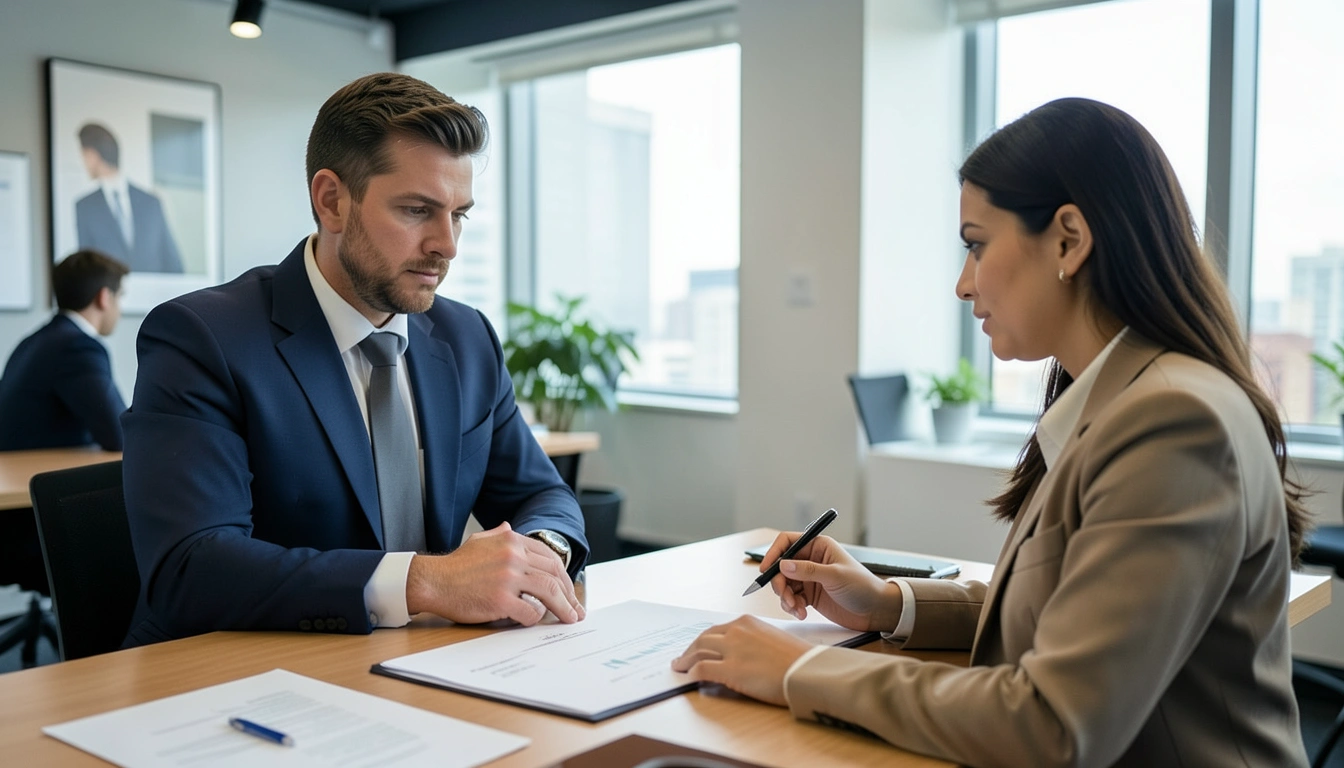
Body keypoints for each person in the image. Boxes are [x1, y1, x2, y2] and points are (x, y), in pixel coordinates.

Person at [672, 98, 1311, 768]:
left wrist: (797, 671)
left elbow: (1051, 726)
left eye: (976, 245)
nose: (962, 283)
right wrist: (889, 604)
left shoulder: (1174, 423)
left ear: (1068, 239)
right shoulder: (1132, 399)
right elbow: (1070, 617)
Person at [121, 72, 588, 646]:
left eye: (459, 214)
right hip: (243, 678)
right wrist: (424, 582)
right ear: (332, 200)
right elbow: (191, 567)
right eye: (418, 210)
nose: (447, 245)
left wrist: (540, 553)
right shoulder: (202, 338)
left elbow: (543, 495)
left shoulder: (466, 337)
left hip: (426, 664)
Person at [0, 248, 129, 451]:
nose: (120, 309)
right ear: (104, 297)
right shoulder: (78, 348)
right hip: (36, 475)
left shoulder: (35, 341)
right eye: (120, 296)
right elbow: (120, 436)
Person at [74, 122, 185, 274]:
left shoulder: (151, 202)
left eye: (84, 155)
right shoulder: (85, 207)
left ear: (93, 154)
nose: (84, 163)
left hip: (155, 294)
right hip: (109, 295)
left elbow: (173, 262)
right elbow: (85, 269)